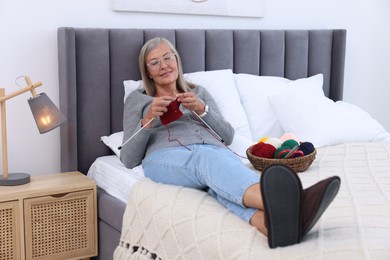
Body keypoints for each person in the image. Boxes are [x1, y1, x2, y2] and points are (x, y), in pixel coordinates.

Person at [120, 37, 341, 248]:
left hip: (213, 154)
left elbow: (227, 136)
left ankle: (271, 227)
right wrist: (148, 119)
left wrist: (202, 110)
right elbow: (129, 158)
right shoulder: (138, 100)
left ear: (177, 60)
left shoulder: (199, 92)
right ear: (147, 71)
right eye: (154, 62)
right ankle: (294, 202)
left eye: (168, 57)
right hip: (165, 158)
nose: (163, 65)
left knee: (220, 182)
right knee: (207, 160)